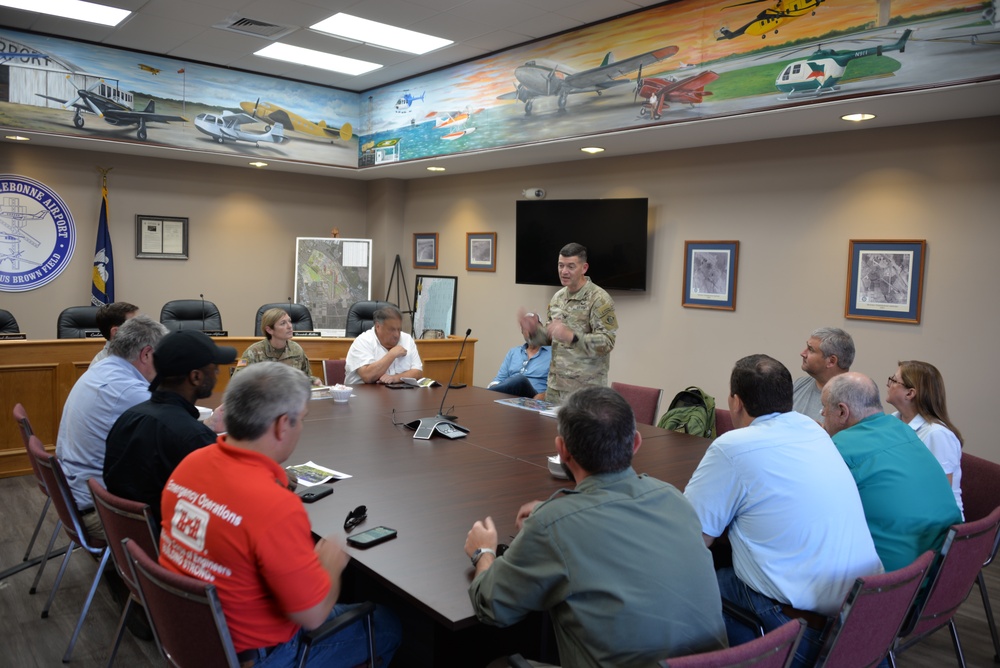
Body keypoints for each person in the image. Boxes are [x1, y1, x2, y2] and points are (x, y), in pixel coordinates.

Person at [159, 363, 401, 666]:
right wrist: (330, 565)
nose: (301, 428)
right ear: (282, 424)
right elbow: (312, 616)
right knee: (389, 624)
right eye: (301, 420)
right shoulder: (274, 506)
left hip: (189, 633)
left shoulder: (190, 464)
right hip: (255, 654)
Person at [465, 387, 727, 667]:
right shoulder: (673, 497)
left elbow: (492, 606)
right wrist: (556, 514)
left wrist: (483, 552)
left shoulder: (553, 525)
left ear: (562, 449)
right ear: (636, 442)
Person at [683, 354, 882, 668]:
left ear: (734, 402)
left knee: (683, 583)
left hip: (798, 635)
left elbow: (690, 540)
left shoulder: (732, 446)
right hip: (861, 624)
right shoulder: (814, 430)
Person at [821, 372, 962, 572]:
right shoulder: (901, 428)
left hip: (892, 583)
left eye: (824, 408)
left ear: (843, 412)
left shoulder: (839, 448)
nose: (823, 414)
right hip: (944, 568)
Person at [104, 329, 236, 528]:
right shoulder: (191, 438)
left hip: (127, 538)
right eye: (214, 367)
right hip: (170, 544)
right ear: (196, 377)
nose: (218, 372)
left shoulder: (129, 416)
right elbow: (231, 497)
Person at [56, 315, 168, 538]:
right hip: (101, 513)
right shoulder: (128, 391)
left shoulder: (102, 368)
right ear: (146, 354)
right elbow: (177, 433)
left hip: (75, 497)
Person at [518, 243, 617, 404]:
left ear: (584, 268)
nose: (564, 271)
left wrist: (571, 337)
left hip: (586, 392)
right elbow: (551, 339)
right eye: (560, 265)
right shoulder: (557, 298)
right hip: (555, 389)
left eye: (571, 266)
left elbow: (607, 342)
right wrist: (534, 332)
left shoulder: (599, 299)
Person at [886, 360, 964, 517]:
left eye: (893, 380)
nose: (888, 385)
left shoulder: (937, 435)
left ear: (910, 393)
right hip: (907, 507)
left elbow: (940, 496)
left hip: (936, 524)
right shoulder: (892, 421)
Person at [233, 307, 321, 385]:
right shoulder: (253, 352)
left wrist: (314, 381)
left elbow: (305, 377)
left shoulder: (296, 349)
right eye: (283, 323)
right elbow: (237, 382)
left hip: (290, 400)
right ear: (269, 329)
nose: (290, 326)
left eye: (289, 321)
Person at [344, 305, 422, 384]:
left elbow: (418, 372)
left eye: (399, 329)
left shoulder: (407, 339)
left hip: (397, 393)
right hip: (363, 394)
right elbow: (368, 376)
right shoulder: (363, 341)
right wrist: (392, 354)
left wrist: (395, 378)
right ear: (378, 327)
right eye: (392, 329)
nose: (397, 335)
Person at [792, 326, 854, 423]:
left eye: (811, 349)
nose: (803, 353)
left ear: (831, 361)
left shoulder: (854, 400)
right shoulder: (799, 384)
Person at [487, 320, 551, 398]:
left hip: (534, 398)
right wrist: (494, 388)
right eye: (526, 328)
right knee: (515, 381)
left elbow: (558, 387)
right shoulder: (513, 352)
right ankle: (487, 395)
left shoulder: (552, 354)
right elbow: (499, 379)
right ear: (522, 332)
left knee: (520, 380)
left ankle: (485, 395)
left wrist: (544, 396)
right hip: (510, 397)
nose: (531, 331)